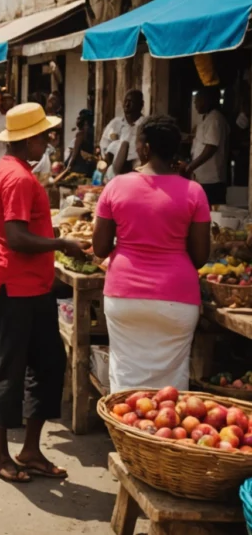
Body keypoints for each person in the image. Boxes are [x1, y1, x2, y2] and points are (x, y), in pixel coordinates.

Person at [0, 102, 84, 484]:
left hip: (26, 285)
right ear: (30, 138)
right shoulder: (19, 179)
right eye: (45, 136)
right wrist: (62, 243)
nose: (48, 142)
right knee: (10, 368)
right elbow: (17, 236)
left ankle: (31, 449)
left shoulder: (4, 170)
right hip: (13, 284)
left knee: (50, 363)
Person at [93, 115, 210, 392]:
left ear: (145, 149)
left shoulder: (115, 186)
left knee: (125, 377)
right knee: (172, 384)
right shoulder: (195, 192)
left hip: (125, 296)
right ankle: (162, 435)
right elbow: (201, 256)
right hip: (177, 299)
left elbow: (99, 248)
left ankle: (124, 434)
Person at [184, 87, 229, 205]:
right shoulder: (205, 118)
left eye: (198, 100)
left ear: (208, 100)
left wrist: (190, 167)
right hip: (203, 178)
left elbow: (211, 147)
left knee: (211, 213)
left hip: (212, 179)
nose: (195, 103)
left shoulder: (215, 118)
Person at [100, 89, 144, 177]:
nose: (127, 105)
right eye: (125, 101)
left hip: (136, 171)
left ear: (141, 104)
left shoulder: (145, 125)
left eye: (131, 102)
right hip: (114, 170)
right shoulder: (115, 123)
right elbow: (104, 145)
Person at [62, 109, 97, 177]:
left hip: (79, 169)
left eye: (79, 118)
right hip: (88, 169)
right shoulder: (92, 133)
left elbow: (74, 154)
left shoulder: (81, 134)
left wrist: (67, 168)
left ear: (84, 121)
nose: (77, 120)